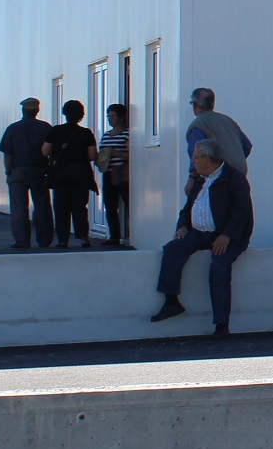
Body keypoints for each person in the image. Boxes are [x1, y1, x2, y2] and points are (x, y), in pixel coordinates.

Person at [152, 139, 254, 334]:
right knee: (173, 249)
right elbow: (187, 208)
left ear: (207, 159)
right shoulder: (201, 179)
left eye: (196, 157)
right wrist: (182, 225)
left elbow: (242, 212)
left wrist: (226, 236)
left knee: (219, 268)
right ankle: (171, 302)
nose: (193, 161)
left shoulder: (233, 178)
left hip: (228, 237)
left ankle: (221, 324)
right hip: (200, 233)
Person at [0, 98, 54, 248]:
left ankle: (22, 240)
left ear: (23, 111)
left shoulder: (13, 129)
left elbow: (7, 154)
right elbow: (51, 152)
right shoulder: (45, 127)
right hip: (39, 171)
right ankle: (44, 239)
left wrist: (8, 172)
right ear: (37, 110)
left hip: (18, 172)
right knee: (42, 206)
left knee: (19, 208)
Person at [44, 99, 99, 249]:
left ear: (64, 113)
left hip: (60, 172)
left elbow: (45, 151)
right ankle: (83, 238)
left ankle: (63, 240)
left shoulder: (55, 131)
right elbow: (93, 155)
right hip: (80, 172)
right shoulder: (86, 133)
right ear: (81, 115)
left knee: (61, 207)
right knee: (80, 206)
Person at [185, 87, 252, 177]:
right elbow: (247, 145)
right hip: (240, 173)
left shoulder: (198, 125)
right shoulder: (228, 120)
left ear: (195, 105)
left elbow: (197, 154)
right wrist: (234, 160)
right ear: (212, 104)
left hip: (219, 176)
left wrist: (193, 178)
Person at [95, 102, 131, 246]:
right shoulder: (105, 135)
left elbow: (131, 155)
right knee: (110, 205)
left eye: (113, 116)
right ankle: (114, 236)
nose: (110, 119)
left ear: (121, 117)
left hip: (122, 173)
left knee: (128, 203)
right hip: (108, 173)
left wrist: (114, 153)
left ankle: (133, 232)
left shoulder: (127, 134)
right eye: (108, 116)